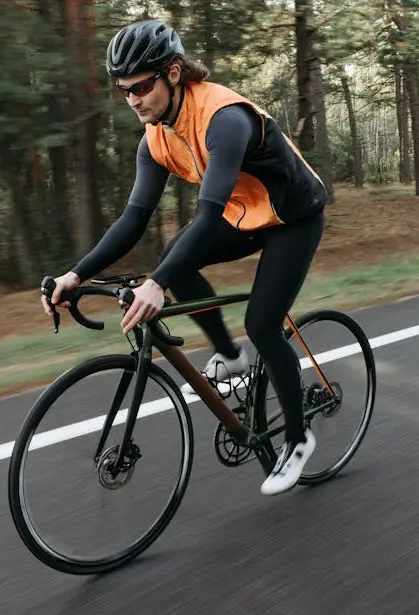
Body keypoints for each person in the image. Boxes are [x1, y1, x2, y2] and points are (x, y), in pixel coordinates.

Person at [40, 19, 328, 496]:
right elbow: (133, 219)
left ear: (173, 73)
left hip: (294, 217)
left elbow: (208, 212)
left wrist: (158, 283)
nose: (132, 98)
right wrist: (75, 274)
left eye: (141, 86)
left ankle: (297, 440)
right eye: (122, 89)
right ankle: (230, 355)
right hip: (247, 214)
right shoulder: (155, 137)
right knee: (176, 256)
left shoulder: (223, 118)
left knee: (262, 322)